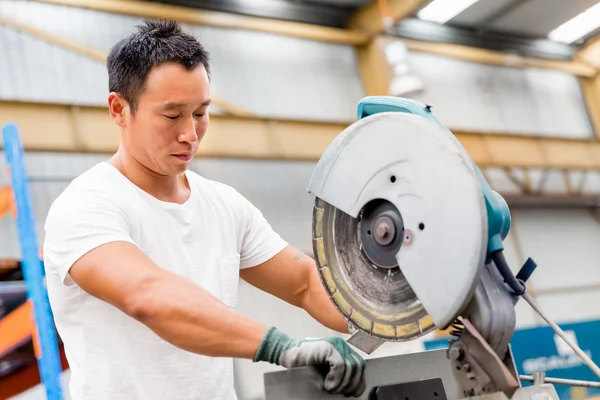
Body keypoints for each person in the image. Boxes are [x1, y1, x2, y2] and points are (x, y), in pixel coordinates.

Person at [42, 18, 366, 400]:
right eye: (172, 115)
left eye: (200, 113)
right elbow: (148, 296)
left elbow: (304, 282)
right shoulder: (86, 205)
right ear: (119, 109)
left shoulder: (224, 204)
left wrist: (393, 311)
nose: (190, 134)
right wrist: (281, 346)